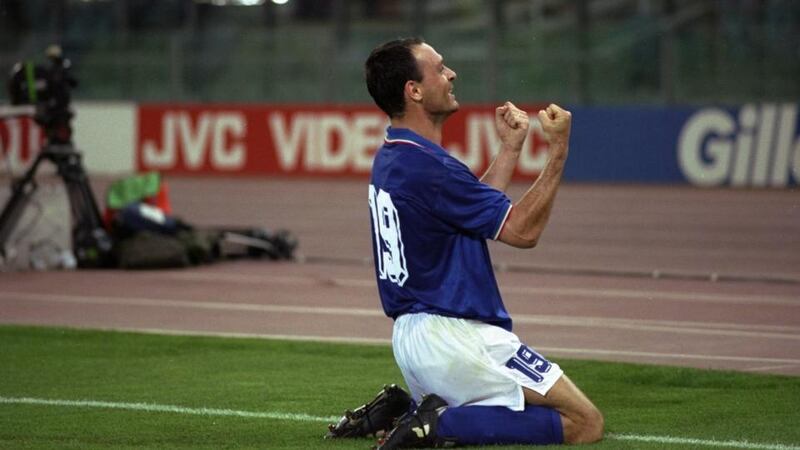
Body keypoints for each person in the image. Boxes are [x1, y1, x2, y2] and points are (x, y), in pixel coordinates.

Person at [326, 37, 604, 449]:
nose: (451, 73)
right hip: (456, 335)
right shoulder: (431, 167)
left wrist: (509, 149)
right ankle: (436, 424)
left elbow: (469, 212)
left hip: (416, 340)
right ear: (414, 90)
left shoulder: (394, 155)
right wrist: (558, 151)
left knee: (519, 415)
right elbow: (522, 232)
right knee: (583, 423)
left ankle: (408, 409)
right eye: (439, 68)